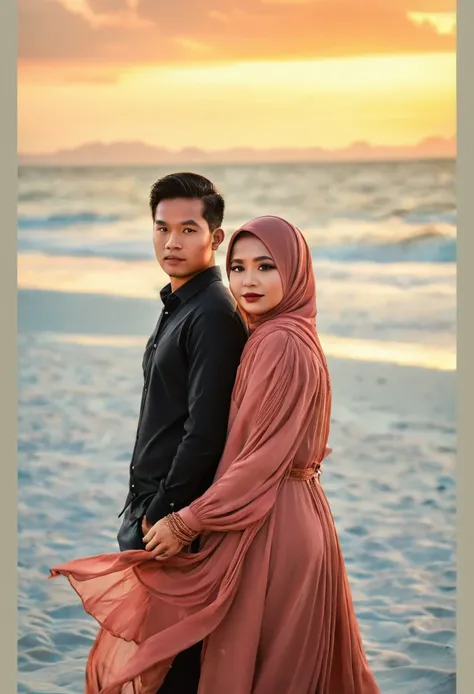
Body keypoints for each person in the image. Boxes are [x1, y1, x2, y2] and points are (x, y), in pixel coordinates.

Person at [50, 216, 380, 694]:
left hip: (273, 524)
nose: (248, 281)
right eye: (239, 268)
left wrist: (187, 520)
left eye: (266, 267)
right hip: (294, 513)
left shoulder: (280, 342)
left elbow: (259, 463)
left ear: (296, 270)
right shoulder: (290, 332)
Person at [116, 172, 248, 692]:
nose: (172, 242)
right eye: (162, 228)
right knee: (160, 657)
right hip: (149, 503)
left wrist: (164, 510)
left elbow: (205, 428)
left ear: (216, 237)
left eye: (189, 229)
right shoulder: (179, 303)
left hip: (172, 516)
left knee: (175, 665)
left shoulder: (212, 313)